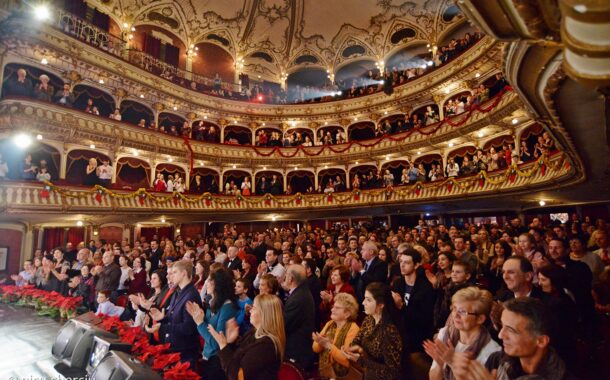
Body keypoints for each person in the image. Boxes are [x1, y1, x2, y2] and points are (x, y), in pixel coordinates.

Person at [424, 287, 501, 380]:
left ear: (480, 319)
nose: (455, 315)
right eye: (454, 309)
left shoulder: (493, 352)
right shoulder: (445, 333)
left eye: (463, 312)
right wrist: (440, 365)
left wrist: (452, 364)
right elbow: (433, 378)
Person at [209, 294, 285, 380]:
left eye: (254, 307)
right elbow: (235, 359)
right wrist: (230, 342)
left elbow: (236, 376)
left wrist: (223, 345)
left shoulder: (266, 345)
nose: (250, 310)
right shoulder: (253, 333)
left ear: (265, 314)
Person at [343, 283, 402, 380]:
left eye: (368, 300)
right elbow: (357, 341)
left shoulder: (390, 331)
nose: (363, 303)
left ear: (381, 305)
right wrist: (352, 349)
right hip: (368, 376)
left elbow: (392, 373)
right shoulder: (368, 319)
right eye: (365, 298)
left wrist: (360, 360)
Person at [391, 247, 435, 375]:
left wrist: (401, 306)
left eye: (407, 262)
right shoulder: (398, 284)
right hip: (399, 334)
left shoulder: (425, 287)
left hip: (417, 338)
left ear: (416, 265)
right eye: (401, 262)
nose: (402, 265)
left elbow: (424, 318)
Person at [149, 260, 202, 366]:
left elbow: (188, 328)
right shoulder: (177, 292)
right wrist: (163, 318)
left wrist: (163, 327)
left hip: (185, 352)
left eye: (174, 272)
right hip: (174, 347)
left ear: (184, 273)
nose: (170, 276)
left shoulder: (191, 295)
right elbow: (173, 317)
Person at [187, 267, 236, 379]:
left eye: (209, 280)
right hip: (207, 356)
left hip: (217, 361)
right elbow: (207, 330)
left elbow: (217, 343)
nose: (206, 283)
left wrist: (200, 323)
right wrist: (199, 318)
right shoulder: (212, 302)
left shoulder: (227, 307)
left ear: (217, 284)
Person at [312, 293, 360, 379]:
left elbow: (346, 360)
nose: (332, 310)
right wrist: (320, 343)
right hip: (326, 373)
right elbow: (315, 349)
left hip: (343, 376)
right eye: (333, 307)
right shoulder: (330, 324)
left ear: (347, 314)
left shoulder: (353, 329)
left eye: (337, 308)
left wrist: (328, 345)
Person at [282, 264, 316, 370]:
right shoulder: (301, 292)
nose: (284, 278)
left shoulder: (297, 298)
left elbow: (285, 325)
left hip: (297, 350)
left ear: (291, 278)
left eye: (286, 275)